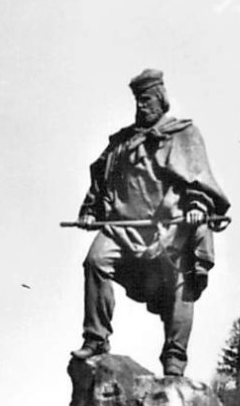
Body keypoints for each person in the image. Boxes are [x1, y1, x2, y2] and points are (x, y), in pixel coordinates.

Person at [73, 69, 230, 378]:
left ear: (160, 100)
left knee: (180, 284)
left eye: (146, 100)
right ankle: (95, 338)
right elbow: (101, 177)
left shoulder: (183, 134)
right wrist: (91, 210)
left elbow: (199, 176)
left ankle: (175, 357)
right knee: (94, 261)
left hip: (170, 230)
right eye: (137, 102)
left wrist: (198, 206)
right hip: (123, 227)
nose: (141, 107)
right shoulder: (123, 141)